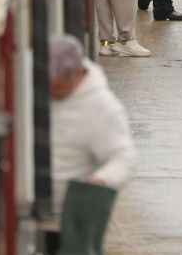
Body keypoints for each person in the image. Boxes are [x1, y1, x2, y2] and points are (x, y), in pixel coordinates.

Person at [48, 35, 136, 215]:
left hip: (71, 214)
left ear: (79, 74)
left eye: (59, 89)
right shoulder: (28, 83)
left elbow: (123, 158)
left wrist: (100, 180)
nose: (52, 94)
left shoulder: (102, 107)